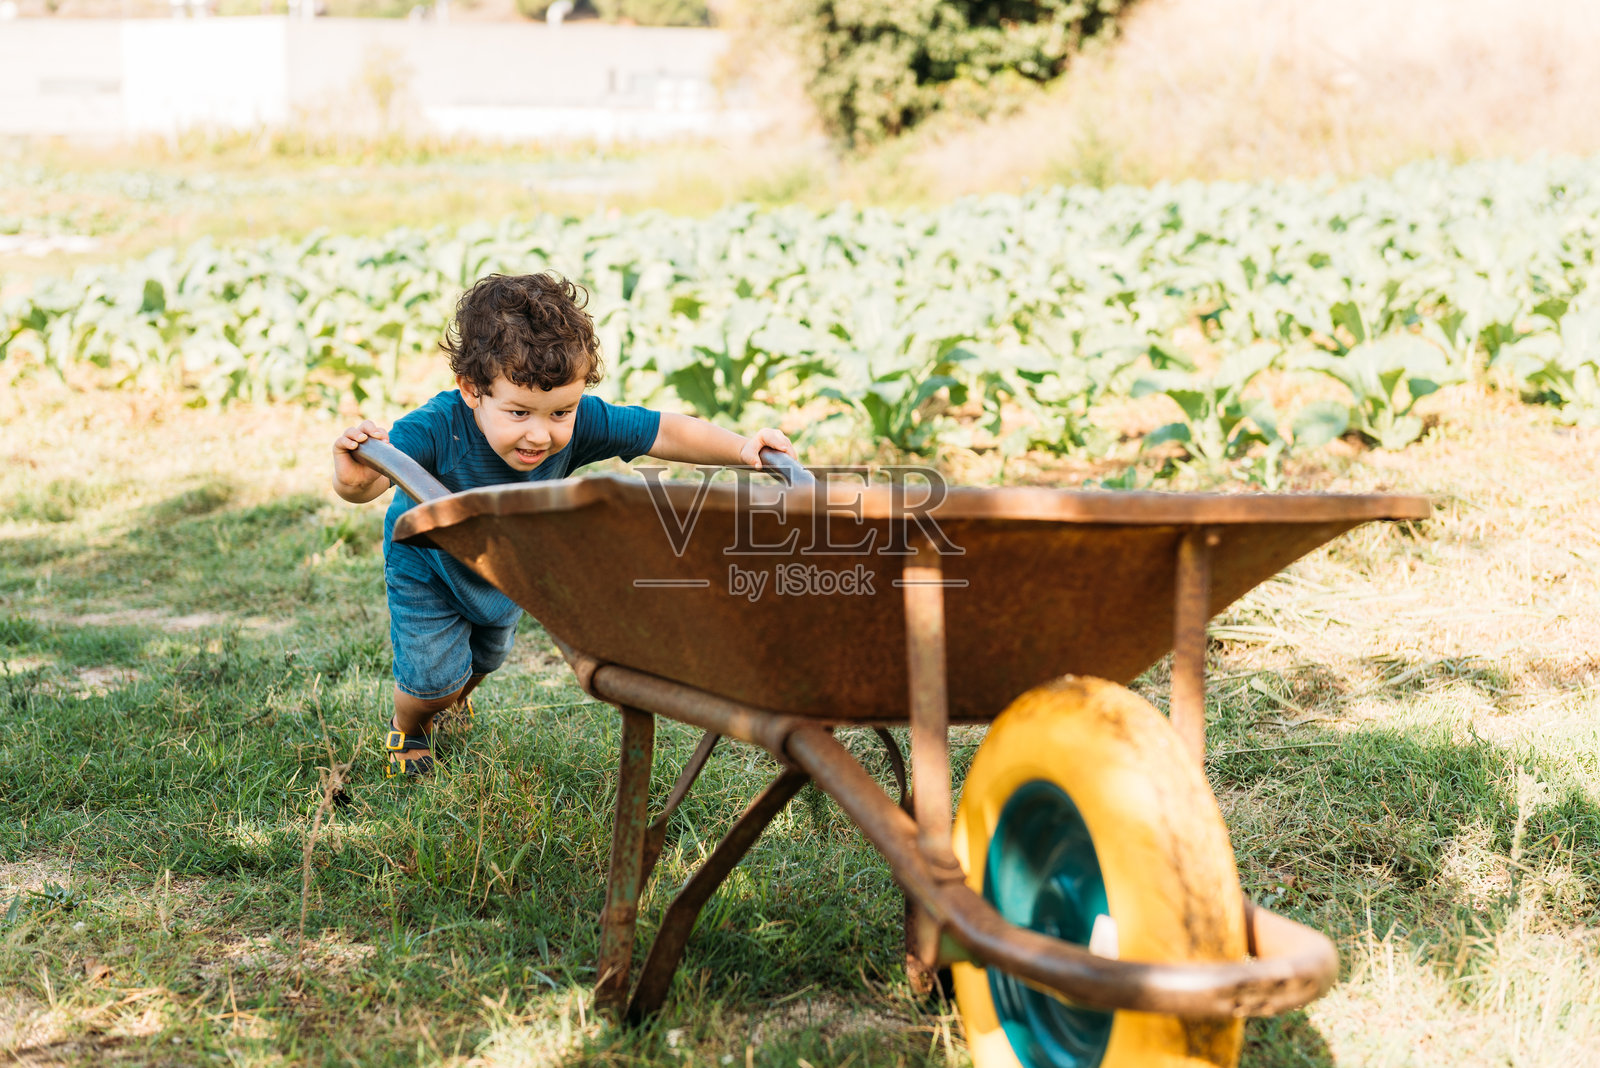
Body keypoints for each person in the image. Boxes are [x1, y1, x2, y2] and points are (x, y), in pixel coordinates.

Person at [332, 272, 795, 779]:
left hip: (507, 565)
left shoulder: (575, 425)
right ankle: (411, 725)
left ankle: (453, 699)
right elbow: (372, 481)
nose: (540, 434)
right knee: (433, 676)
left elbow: (661, 429)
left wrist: (741, 448)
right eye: (518, 412)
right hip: (430, 562)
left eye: (560, 412)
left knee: (485, 657)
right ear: (471, 390)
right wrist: (354, 478)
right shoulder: (438, 426)